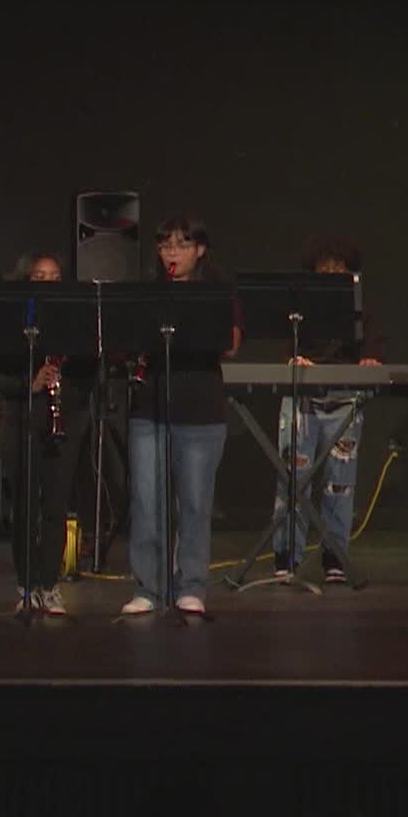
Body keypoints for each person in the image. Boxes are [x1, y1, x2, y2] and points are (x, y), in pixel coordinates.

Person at [120, 217, 241, 617]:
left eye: (181, 245)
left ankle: (191, 586)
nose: (171, 252)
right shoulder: (147, 292)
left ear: (200, 250)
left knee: (194, 504)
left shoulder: (217, 291)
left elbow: (231, 344)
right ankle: (148, 587)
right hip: (150, 407)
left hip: (200, 408)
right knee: (146, 504)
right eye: (165, 246)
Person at [270, 235, 385, 586]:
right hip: (303, 397)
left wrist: (369, 361)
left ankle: (335, 556)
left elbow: (373, 349)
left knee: (340, 483)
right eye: (326, 271)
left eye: (340, 270)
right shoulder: (299, 309)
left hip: (345, 398)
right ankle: (286, 555)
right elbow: (287, 347)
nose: (333, 276)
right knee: (293, 477)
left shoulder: (363, 309)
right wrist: (296, 359)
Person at [0, 251, 96, 615]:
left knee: (55, 506)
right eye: (40, 276)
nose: (48, 283)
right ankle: (26, 584)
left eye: (54, 277)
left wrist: (69, 372)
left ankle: (49, 585)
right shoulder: (11, 323)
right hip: (21, 418)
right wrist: (29, 384)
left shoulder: (77, 323)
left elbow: (91, 374)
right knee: (24, 506)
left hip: (65, 419)